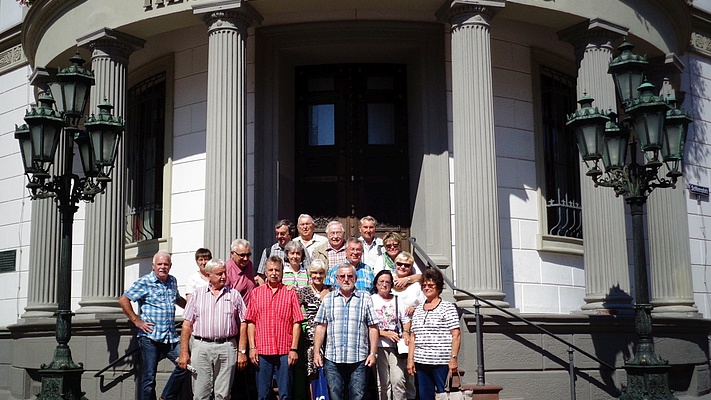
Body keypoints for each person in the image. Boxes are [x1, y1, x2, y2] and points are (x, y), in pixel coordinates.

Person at [118, 251, 188, 400]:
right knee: (149, 378)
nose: (163, 267)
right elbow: (124, 299)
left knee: (185, 364)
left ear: (170, 266)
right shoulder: (145, 282)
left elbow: (177, 299)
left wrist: (192, 308)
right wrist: (137, 321)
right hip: (150, 336)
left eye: (166, 264)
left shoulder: (172, 281)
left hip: (170, 336)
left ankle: (166, 397)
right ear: (153, 266)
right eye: (160, 264)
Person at [178, 259, 248, 400]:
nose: (223, 277)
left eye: (224, 273)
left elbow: (244, 323)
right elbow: (186, 325)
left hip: (227, 347)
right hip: (201, 347)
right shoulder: (197, 294)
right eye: (219, 274)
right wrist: (184, 352)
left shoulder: (234, 295)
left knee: (223, 395)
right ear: (209, 275)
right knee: (200, 393)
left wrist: (242, 351)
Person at [313, 263, 380, 400]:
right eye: (342, 276)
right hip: (333, 358)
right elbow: (321, 327)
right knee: (335, 395)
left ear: (355, 278)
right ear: (337, 279)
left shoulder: (365, 298)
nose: (346, 279)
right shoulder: (328, 299)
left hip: (358, 358)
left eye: (350, 276)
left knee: (358, 395)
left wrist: (373, 353)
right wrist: (316, 352)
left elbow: (373, 327)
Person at [246, 255, 304, 400]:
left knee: (285, 394)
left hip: (285, 350)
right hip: (263, 350)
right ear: (265, 272)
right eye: (270, 270)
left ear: (282, 272)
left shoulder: (290, 293)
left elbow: (297, 322)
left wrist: (294, 349)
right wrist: (252, 347)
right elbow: (251, 322)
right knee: (263, 394)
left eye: (277, 270)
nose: (274, 273)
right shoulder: (256, 293)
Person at [407, 268, 461, 399]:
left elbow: (456, 335)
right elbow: (413, 337)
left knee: (444, 396)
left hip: (441, 363)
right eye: (424, 285)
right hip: (421, 362)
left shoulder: (447, 307)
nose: (426, 288)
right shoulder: (418, 309)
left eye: (430, 285)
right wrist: (410, 360)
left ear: (438, 286)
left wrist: (453, 359)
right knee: (425, 397)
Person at [372, 270, 411, 400]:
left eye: (387, 282)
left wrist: (406, 332)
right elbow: (366, 325)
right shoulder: (370, 300)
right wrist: (384, 334)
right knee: (383, 382)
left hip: (396, 346)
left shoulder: (397, 300)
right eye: (381, 282)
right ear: (376, 284)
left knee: (398, 379)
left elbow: (406, 320)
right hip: (377, 345)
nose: (384, 285)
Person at [391, 251, 425, 399]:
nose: (402, 267)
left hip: (410, 333)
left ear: (411, 267)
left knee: (409, 373)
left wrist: (415, 308)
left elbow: (426, 305)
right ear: (395, 264)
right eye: (399, 264)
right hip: (390, 333)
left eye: (407, 265)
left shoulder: (417, 286)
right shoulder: (388, 281)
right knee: (394, 377)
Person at [297, 259, 331, 399]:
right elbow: (294, 311)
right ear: (310, 274)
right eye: (315, 273)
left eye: (321, 273)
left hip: (329, 339)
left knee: (329, 374)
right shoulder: (304, 291)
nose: (318, 276)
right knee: (313, 374)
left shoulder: (332, 290)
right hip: (310, 340)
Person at [257, 219, 313, 285]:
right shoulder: (268, 251)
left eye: (282, 234)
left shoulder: (300, 249)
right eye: (277, 234)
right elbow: (261, 277)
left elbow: (310, 272)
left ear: (290, 234)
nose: (279, 236)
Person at [225, 238, 256, 306]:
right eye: (242, 255)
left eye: (248, 255)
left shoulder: (249, 265)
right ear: (232, 254)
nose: (245, 258)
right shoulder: (226, 270)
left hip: (251, 311)